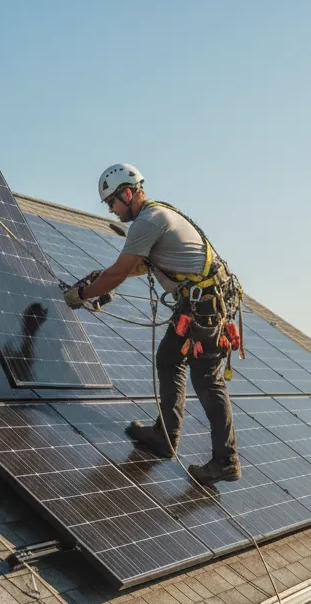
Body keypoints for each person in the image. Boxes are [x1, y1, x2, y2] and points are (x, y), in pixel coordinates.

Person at [64, 165, 242, 485]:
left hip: (203, 308)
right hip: (206, 304)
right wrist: (103, 282)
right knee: (170, 360)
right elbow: (138, 267)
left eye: (112, 203)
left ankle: (224, 460)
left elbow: (121, 271)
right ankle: (167, 436)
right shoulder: (159, 215)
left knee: (205, 381)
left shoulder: (147, 220)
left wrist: (82, 295)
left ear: (127, 193)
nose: (111, 210)